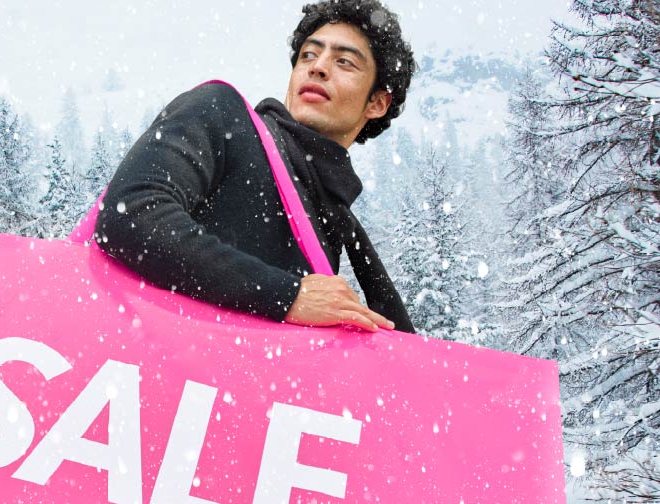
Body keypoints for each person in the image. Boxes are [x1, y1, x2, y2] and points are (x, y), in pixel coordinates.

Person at [93, 0, 417, 334]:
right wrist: (287, 295)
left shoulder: (331, 216)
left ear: (377, 102)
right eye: (308, 55)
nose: (318, 67)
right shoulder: (223, 113)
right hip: (140, 369)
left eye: (344, 62)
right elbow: (130, 214)